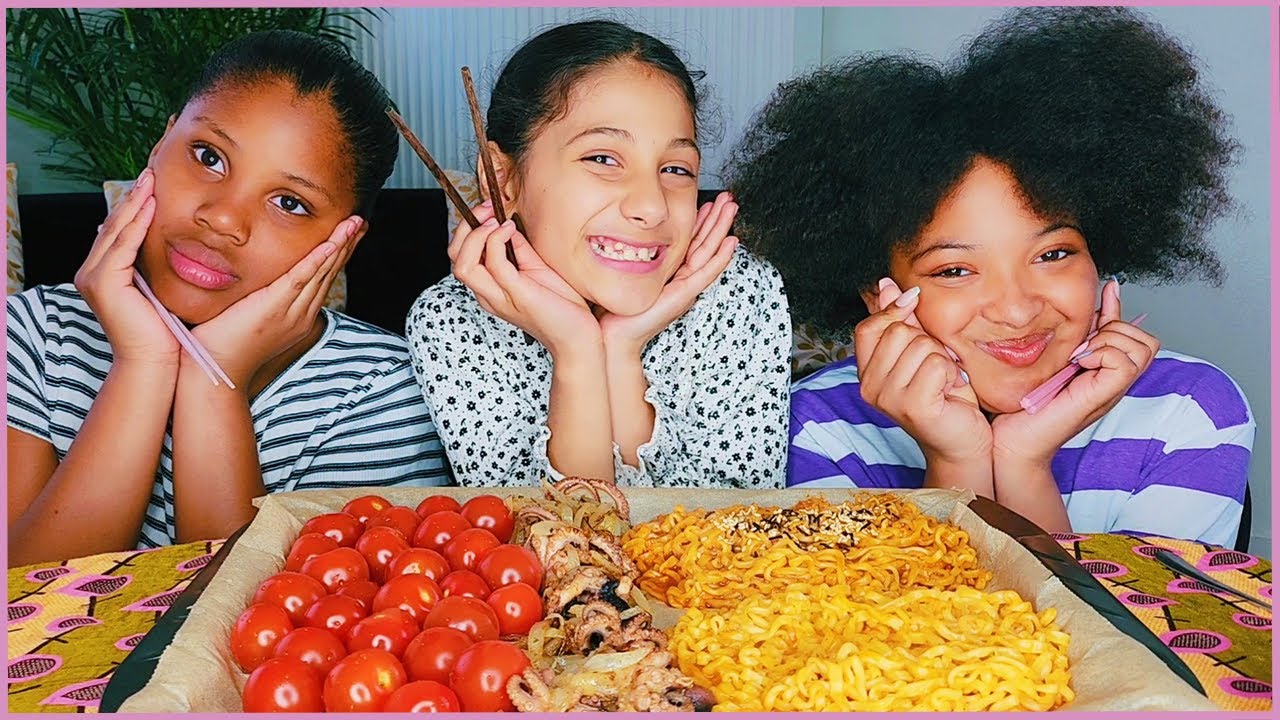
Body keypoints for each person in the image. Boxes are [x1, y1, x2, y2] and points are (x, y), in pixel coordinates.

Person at [726, 7, 1253, 545]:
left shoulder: (1189, 412)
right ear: (877, 293)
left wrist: (1024, 463)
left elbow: (1140, 632)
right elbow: (897, 629)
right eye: (955, 270)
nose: (1017, 310)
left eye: (1052, 254)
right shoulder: (819, 427)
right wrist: (957, 461)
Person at [6, 30, 450, 565]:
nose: (222, 219)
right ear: (160, 145)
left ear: (343, 243)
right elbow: (25, 607)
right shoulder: (33, 332)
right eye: (208, 157)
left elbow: (255, 625)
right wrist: (143, 362)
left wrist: (214, 377)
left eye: (289, 202)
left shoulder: (384, 390)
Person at [406, 20, 791, 489]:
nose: (651, 206)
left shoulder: (742, 293)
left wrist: (622, 352)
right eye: (603, 159)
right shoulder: (452, 320)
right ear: (502, 180)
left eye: (675, 168)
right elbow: (541, 534)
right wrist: (578, 352)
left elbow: (733, 531)